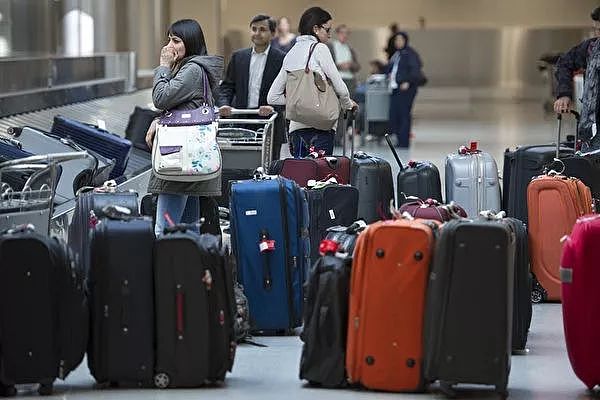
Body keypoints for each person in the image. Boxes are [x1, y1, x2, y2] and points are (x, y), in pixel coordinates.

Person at [144, 19, 224, 237]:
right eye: (169, 39)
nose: (170, 46)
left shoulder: (191, 70)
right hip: (189, 158)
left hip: (177, 161)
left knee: (164, 230)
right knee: (189, 231)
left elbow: (161, 98)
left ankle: (167, 270)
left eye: (176, 40)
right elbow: (179, 107)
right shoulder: (195, 68)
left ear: (190, 42)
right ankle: (188, 270)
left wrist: (163, 66)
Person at [267, 6, 358, 158]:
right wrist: (348, 104)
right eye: (327, 30)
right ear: (316, 28)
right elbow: (341, 88)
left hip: (296, 130)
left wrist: (299, 100)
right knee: (320, 178)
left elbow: (272, 97)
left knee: (301, 175)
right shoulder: (320, 49)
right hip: (321, 127)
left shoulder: (290, 53)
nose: (329, 35)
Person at [218, 14, 286, 161]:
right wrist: (224, 105)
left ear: (273, 33)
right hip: (242, 119)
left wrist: (273, 107)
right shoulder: (238, 57)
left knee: (269, 165)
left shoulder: (281, 59)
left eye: (262, 29)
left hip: (270, 120)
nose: (257, 33)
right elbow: (227, 86)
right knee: (241, 163)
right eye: (254, 29)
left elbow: (287, 92)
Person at [554, 6, 600, 148]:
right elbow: (564, 62)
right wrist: (564, 94)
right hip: (590, 133)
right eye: (597, 30)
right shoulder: (591, 48)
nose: (598, 34)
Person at [386, 31, 422, 148]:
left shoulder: (410, 54)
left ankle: (404, 142)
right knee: (395, 115)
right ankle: (399, 138)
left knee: (404, 115)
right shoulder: (397, 54)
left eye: (400, 40)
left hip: (406, 90)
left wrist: (407, 81)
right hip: (396, 89)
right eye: (396, 40)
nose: (398, 42)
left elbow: (415, 72)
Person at [327, 24, 360, 98]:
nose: (344, 35)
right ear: (338, 33)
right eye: (342, 32)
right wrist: (340, 66)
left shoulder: (350, 49)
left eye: (347, 33)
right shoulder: (331, 46)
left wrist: (351, 65)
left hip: (350, 80)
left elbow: (357, 66)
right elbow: (326, 65)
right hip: (337, 79)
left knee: (349, 104)